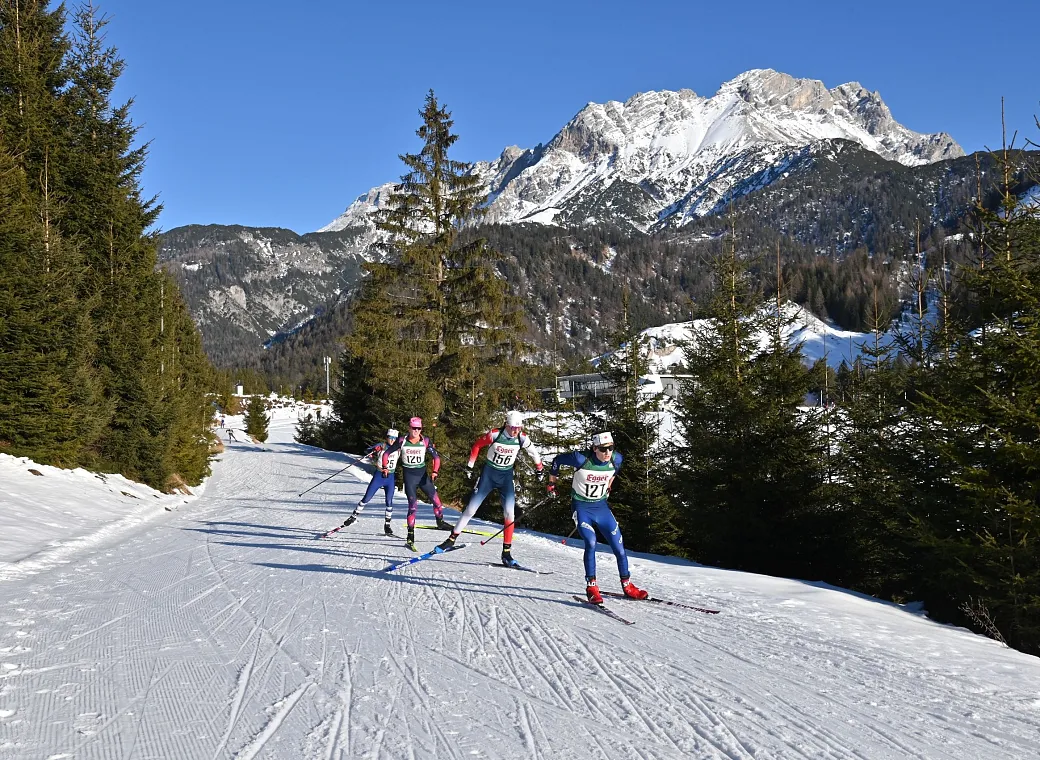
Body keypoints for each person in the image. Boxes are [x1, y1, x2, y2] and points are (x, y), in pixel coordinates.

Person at [548, 431, 648, 604]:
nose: (607, 452)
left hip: (601, 507)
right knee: (591, 542)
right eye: (603, 449)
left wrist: (608, 486)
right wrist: (551, 484)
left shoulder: (616, 459)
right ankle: (592, 587)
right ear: (594, 448)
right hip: (582, 507)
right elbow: (557, 460)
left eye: (610, 448)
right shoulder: (580, 459)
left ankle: (627, 585)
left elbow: (614, 473)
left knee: (619, 546)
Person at [436, 411, 543, 566]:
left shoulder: (521, 438)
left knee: (509, 514)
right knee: (471, 509)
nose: (515, 431)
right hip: (489, 474)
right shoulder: (495, 434)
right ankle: (451, 540)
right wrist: (470, 466)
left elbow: (534, 453)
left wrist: (539, 469)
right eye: (513, 427)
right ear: (506, 424)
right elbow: (477, 445)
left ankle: (506, 553)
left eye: (518, 428)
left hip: (506, 477)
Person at [381, 417, 449, 550]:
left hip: (423, 476)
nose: (416, 431)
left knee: (437, 501)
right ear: (409, 428)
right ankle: (410, 536)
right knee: (413, 506)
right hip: (410, 478)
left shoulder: (426, 440)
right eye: (414, 428)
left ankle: (440, 522)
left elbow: (436, 457)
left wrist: (435, 471)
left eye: (419, 428)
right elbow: (386, 454)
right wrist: (385, 467)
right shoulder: (402, 441)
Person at [340, 428, 400, 536]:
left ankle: (387, 525)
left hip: (390, 477)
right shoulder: (382, 445)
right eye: (390, 438)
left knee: (389, 501)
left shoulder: (398, 448)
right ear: (387, 438)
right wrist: (373, 451)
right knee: (367, 497)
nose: (392, 440)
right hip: (379, 475)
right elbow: (367, 450)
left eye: (394, 438)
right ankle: (353, 517)